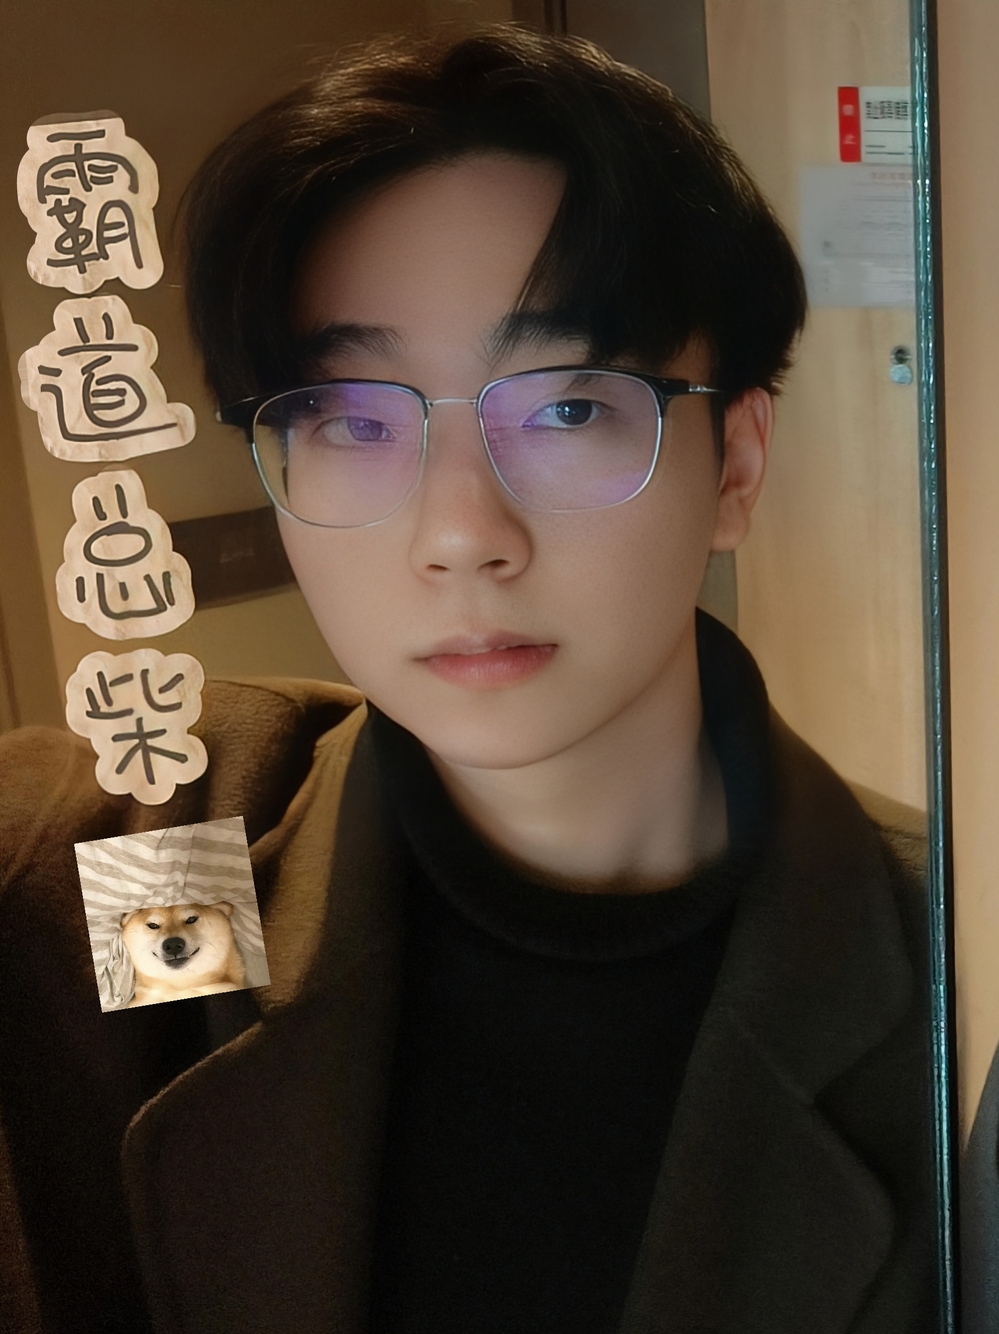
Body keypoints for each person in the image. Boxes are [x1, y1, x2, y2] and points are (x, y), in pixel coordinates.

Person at [0, 25, 938, 1334]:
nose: (458, 533)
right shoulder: (176, 847)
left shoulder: (945, 973)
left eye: (565, 406)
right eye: (350, 419)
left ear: (734, 463)